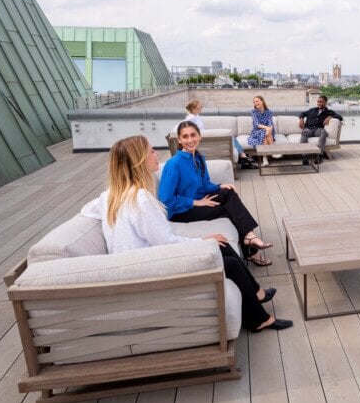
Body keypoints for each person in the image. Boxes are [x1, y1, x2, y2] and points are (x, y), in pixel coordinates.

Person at [86, 135, 291, 332]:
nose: (156, 153)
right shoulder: (140, 200)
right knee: (229, 261)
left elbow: (86, 211)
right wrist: (201, 240)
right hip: (148, 269)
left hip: (135, 264)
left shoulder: (109, 196)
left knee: (222, 244)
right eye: (151, 150)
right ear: (139, 160)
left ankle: (257, 297)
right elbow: (166, 243)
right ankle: (259, 318)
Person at [160, 121, 274, 266]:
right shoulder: (174, 164)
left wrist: (220, 186)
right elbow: (166, 199)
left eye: (193, 135)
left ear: (199, 136)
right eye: (185, 136)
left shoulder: (198, 158)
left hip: (197, 201)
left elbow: (204, 184)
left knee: (228, 192)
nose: (190, 140)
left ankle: (249, 237)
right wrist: (196, 202)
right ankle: (251, 250)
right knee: (228, 210)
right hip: (181, 211)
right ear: (179, 140)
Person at [184, 100, 257, 170]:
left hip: (205, 136)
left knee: (231, 137)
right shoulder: (191, 119)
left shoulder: (195, 116)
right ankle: (243, 158)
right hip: (205, 138)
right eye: (200, 107)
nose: (201, 108)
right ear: (194, 109)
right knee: (230, 136)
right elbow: (189, 129)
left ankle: (243, 157)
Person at [298, 95, 343, 164]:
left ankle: (319, 156)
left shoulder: (329, 112)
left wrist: (329, 117)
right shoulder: (312, 110)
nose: (319, 103)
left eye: (321, 102)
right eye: (318, 102)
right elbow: (302, 113)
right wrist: (301, 120)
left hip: (318, 130)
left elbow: (340, 117)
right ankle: (305, 157)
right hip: (309, 129)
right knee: (304, 132)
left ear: (325, 102)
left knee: (323, 132)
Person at [247, 95, 280, 167]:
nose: (255, 103)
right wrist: (266, 128)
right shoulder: (253, 112)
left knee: (267, 133)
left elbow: (270, 122)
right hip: (257, 131)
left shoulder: (269, 112)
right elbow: (256, 124)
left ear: (262, 101)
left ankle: (265, 158)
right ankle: (273, 152)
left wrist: (269, 128)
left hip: (268, 131)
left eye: (257, 101)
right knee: (264, 132)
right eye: (254, 102)